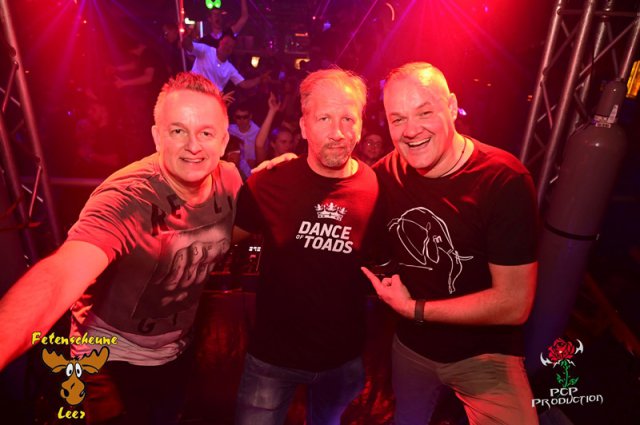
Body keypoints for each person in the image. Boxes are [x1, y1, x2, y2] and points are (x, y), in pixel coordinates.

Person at [0, 72, 242, 424]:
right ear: (157, 137)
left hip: (175, 353)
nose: (193, 146)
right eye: (178, 131)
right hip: (107, 362)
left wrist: (277, 175)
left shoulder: (229, 180)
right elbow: (62, 273)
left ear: (223, 141)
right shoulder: (129, 196)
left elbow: (230, 231)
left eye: (206, 133)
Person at [361, 62, 539, 425]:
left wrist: (415, 309)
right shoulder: (384, 175)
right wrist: (287, 167)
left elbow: (514, 303)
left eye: (424, 112)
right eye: (397, 119)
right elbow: (333, 189)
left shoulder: (502, 180)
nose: (411, 130)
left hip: (485, 356)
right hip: (411, 350)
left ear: (452, 106)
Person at [233, 68, 382, 425]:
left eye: (348, 119)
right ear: (303, 126)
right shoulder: (269, 182)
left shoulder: (377, 187)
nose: (337, 132)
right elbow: (223, 238)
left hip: (341, 361)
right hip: (272, 360)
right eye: (324, 118)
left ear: (360, 125)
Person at [183, 30, 264, 92]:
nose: (227, 47)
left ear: (231, 51)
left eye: (231, 46)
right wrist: (186, 37)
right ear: (220, 42)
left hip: (211, 100)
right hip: (193, 91)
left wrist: (260, 79)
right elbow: (189, 46)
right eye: (226, 43)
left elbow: (244, 84)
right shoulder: (206, 50)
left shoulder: (229, 68)